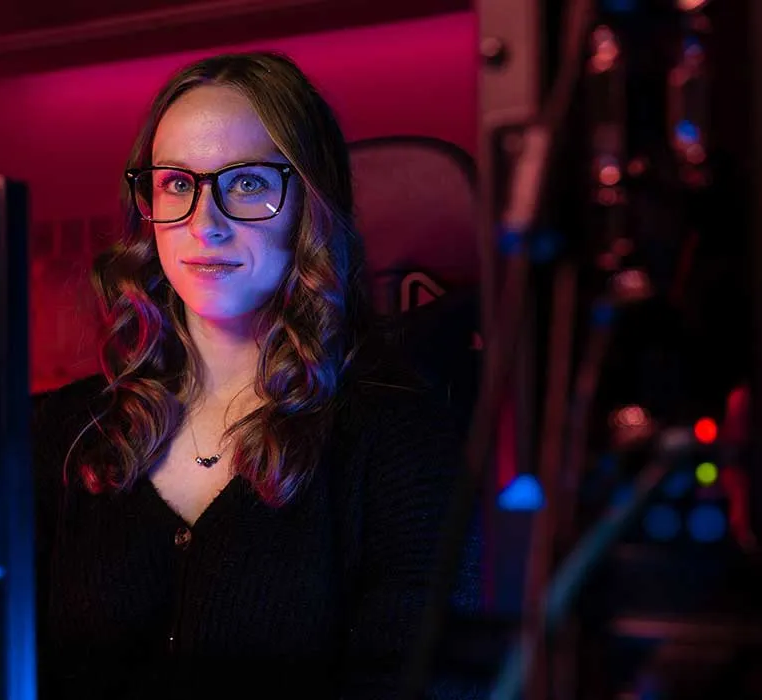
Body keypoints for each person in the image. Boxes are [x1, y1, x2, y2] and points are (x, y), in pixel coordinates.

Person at [32, 51, 465, 699]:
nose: (206, 224)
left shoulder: (400, 441)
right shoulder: (59, 433)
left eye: (250, 183)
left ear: (308, 206)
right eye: (177, 183)